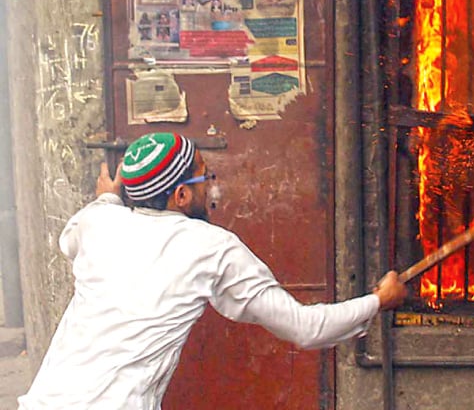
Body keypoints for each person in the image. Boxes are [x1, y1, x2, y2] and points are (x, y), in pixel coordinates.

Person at [18, 132, 406, 409]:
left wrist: (108, 196)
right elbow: (305, 328)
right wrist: (378, 301)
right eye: (204, 176)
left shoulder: (96, 222)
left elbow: (77, 233)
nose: (211, 186)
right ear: (181, 195)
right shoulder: (210, 247)